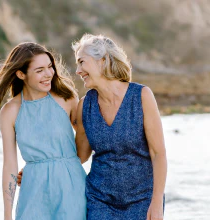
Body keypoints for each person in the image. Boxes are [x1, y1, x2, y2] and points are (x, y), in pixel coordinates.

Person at [18, 34, 167, 219]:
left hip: (142, 199)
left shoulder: (142, 96)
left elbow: (158, 153)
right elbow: (79, 155)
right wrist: (39, 167)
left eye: (82, 62)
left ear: (102, 61)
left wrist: (157, 202)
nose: (78, 70)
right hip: (99, 200)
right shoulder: (85, 105)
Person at [0, 42, 87, 219]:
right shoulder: (10, 111)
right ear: (21, 74)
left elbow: (85, 144)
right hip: (33, 192)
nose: (48, 74)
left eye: (50, 67)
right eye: (39, 70)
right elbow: (10, 165)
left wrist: (57, 166)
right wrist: (7, 214)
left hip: (72, 187)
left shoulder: (66, 98)